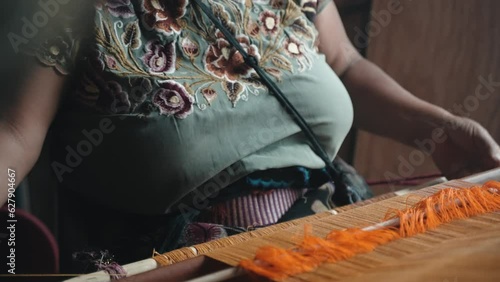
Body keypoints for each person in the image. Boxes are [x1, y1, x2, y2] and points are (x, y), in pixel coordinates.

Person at [1, 0, 499, 273]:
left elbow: (344, 63)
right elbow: (15, 132)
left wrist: (437, 130)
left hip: (332, 238)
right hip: (184, 265)